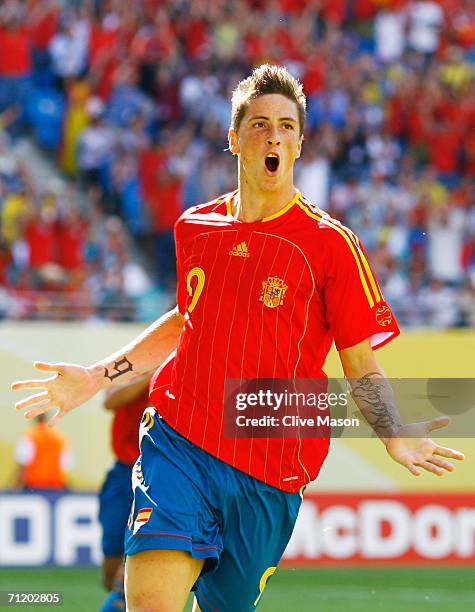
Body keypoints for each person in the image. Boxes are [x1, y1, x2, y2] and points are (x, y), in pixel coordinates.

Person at [12, 65, 464, 612]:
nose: (273, 136)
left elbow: (358, 358)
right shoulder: (194, 228)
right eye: (259, 125)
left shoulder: (331, 245)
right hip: (179, 443)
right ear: (234, 138)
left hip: (270, 472)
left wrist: (392, 431)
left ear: (300, 143)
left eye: (286, 127)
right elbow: (187, 320)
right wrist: (95, 377)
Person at [98, 374, 151, 612]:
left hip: (157, 475)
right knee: (110, 570)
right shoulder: (133, 366)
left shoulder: (184, 372)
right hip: (123, 474)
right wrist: (152, 371)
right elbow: (110, 401)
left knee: (135, 573)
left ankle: (123, 600)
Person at [14, 413, 71, 491]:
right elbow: (65, 464)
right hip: (56, 486)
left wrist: (15, 486)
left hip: (34, 485)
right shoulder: (59, 437)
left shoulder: (31, 435)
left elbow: (22, 462)